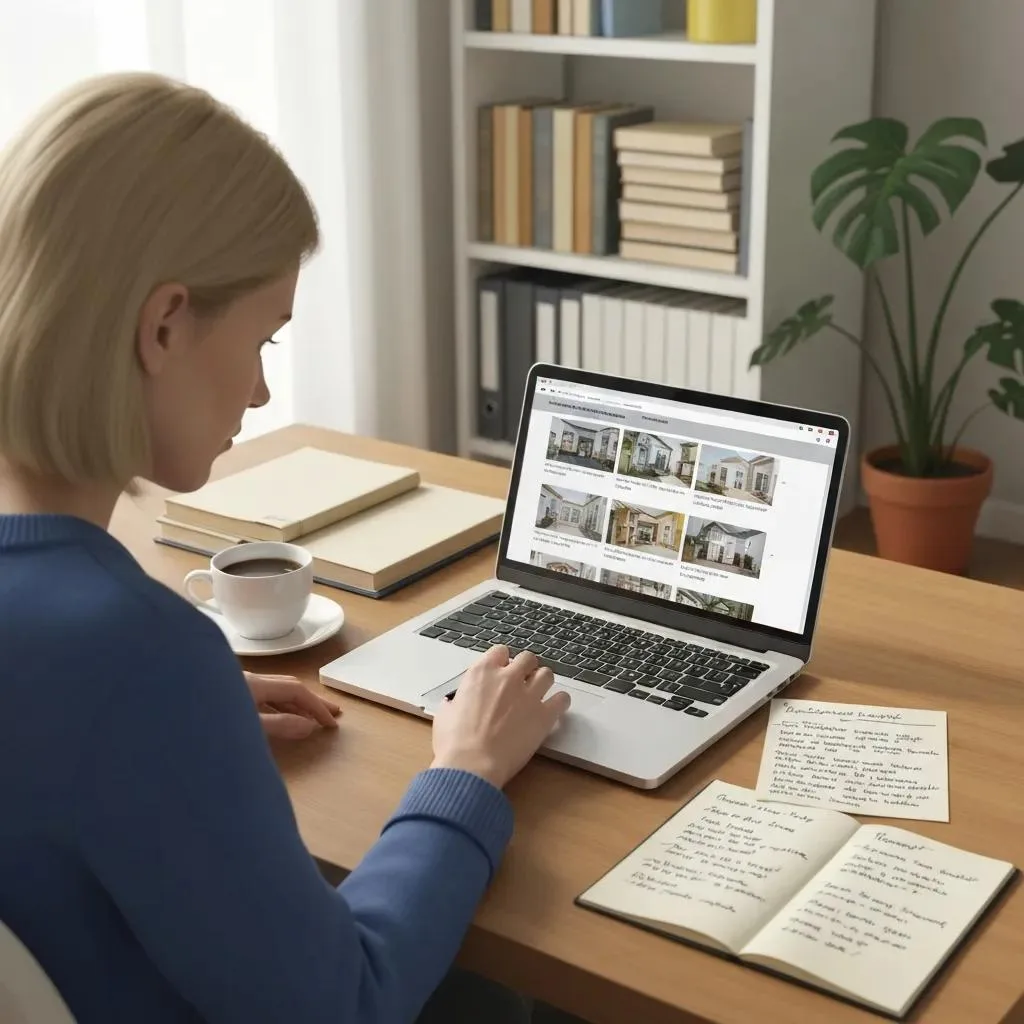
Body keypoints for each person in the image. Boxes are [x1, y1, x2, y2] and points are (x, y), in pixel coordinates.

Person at [0, 71, 570, 1023]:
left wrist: (189, 732)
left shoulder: (106, 658)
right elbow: (345, 1002)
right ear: (165, 324)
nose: (262, 392)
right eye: (264, 336)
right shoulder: (131, 658)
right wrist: (465, 773)